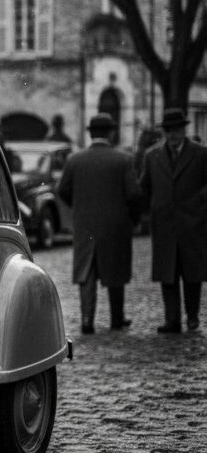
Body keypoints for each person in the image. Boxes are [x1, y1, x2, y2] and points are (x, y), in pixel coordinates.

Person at [56, 113, 140, 335]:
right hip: (116, 224)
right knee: (116, 271)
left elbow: (62, 190)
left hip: (85, 224)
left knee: (87, 272)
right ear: (111, 133)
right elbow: (133, 194)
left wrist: (80, 207)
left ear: (90, 133)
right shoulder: (123, 159)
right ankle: (116, 318)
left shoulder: (74, 160)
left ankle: (87, 320)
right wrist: (132, 218)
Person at [139, 107, 207, 333]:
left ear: (184, 130)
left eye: (177, 130)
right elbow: (145, 188)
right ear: (164, 132)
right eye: (169, 130)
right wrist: (149, 213)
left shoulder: (200, 154)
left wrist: (200, 205)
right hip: (164, 223)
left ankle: (193, 316)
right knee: (167, 274)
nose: (173, 134)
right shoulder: (152, 156)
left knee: (192, 273)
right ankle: (172, 320)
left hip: (192, 224)